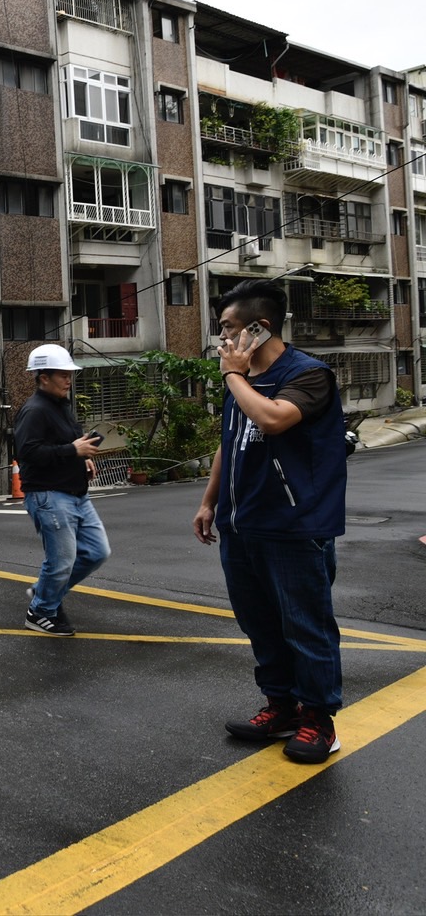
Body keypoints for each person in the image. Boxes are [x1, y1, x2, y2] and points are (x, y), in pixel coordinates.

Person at [193, 279, 348, 764]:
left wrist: (234, 377)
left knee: (305, 624)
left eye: (228, 329)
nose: (222, 341)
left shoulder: (308, 374)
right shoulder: (241, 382)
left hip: (294, 526)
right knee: (259, 623)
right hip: (242, 527)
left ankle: (319, 720)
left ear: (259, 329)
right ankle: (280, 706)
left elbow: (275, 419)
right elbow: (228, 441)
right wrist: (208, 502)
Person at [12, 344, 108, 637]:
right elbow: (27, 452)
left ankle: (44, 595)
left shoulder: (60, 406)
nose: (69, 379)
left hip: (75, 494)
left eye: (69, 374)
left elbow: (69, 445)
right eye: (62, 374)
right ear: (43, 377)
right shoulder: (34, 410)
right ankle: (40, 611)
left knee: (96, 552)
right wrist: (72, 449)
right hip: (49, 496)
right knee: (62, 560)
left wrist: (84, 455)